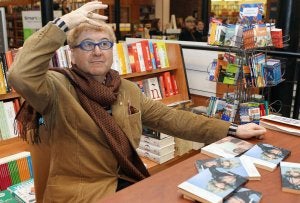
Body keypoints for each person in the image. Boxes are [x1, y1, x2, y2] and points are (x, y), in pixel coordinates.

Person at [8, 1, 266, 202]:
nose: (97, 51)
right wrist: (63, 23)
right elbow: (20, 74)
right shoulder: (56, 87)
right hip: (82, 194)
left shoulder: (127, 90)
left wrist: (232, 129)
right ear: (72, 55)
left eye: (104, 44)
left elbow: (172, 119)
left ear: (112, 50)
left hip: (127, 179)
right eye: (87, 45)